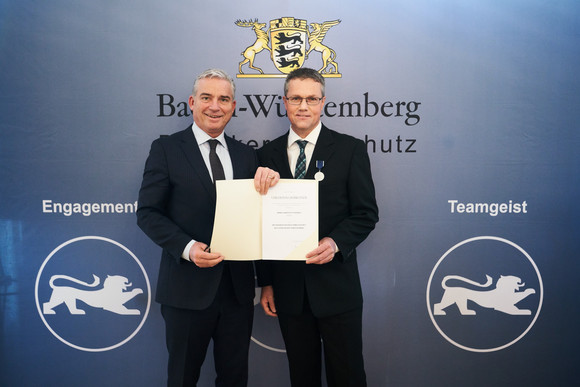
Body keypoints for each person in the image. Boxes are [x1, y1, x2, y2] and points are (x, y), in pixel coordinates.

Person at [137, 68, 279, 387]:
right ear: (192, 102)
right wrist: (188, 249)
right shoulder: (167, 149)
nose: (215, 106)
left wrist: (267, 280)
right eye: (207, 97)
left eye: (223, 99)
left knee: (234, 379)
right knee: (183, 377)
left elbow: (258, 222)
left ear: (233, 106)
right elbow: (148, 213)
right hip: (186, 291)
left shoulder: (247, 155)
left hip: (238, 293)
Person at [257, 68, 379, 387]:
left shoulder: (350, 150)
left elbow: (366, 214)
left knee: (348, 375)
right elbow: (260, 224)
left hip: (337, 288)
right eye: (296, 98)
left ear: (323, 102)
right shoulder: (264, 155)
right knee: (302, 376)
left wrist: (335, 243)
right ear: (284, 102)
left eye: (311, 98)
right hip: (289, 291)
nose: (303, 106)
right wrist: (267, 282)